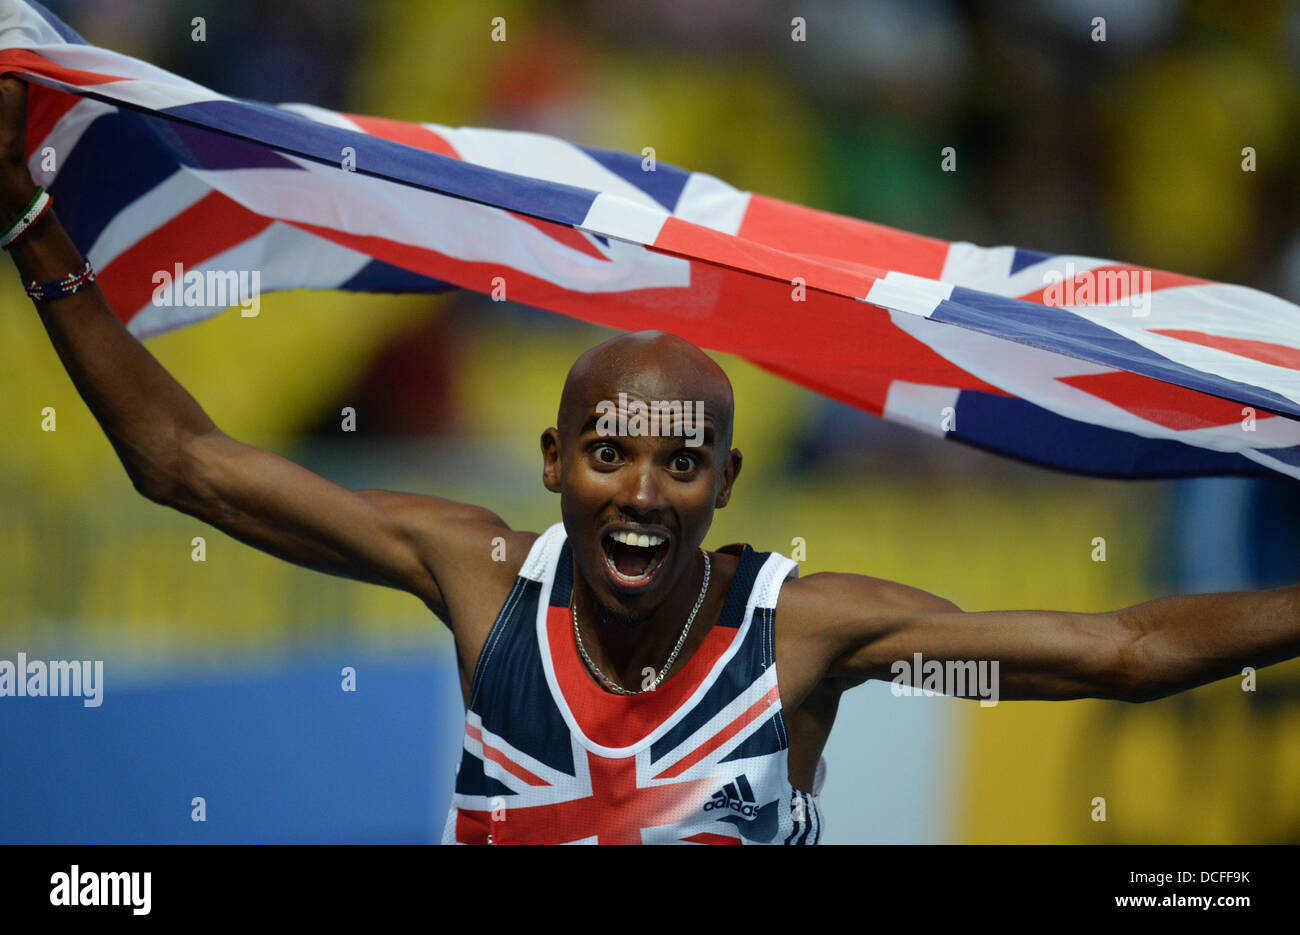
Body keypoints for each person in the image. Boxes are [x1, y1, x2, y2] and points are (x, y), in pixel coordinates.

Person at [3, 76, 1297, 845]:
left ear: (727, 485)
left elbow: (1124, 656)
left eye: (681, 467)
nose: (642, 492)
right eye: (613, 456)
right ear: (556, 460)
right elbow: (184, 463)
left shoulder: (810, 635)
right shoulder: (476, 578)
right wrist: (30, 224)